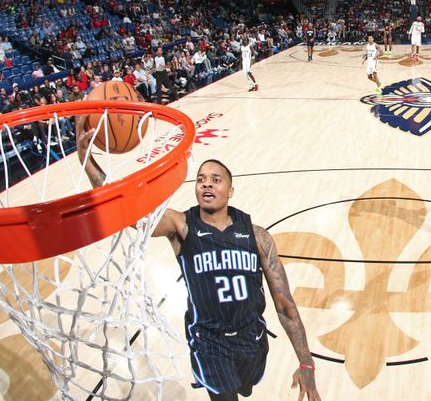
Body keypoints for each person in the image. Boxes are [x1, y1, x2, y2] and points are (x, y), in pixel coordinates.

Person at [75, 128, 321, 401]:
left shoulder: (258, 236)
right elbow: (128, 210)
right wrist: (88, 162)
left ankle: (243, 379)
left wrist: (306, 361)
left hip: (251, 337)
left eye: (216, 180)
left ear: (230, 191)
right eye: (201, 180)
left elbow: (285, 304)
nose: (207, 184)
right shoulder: (181, 226)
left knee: (245, 387)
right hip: (208, 341)